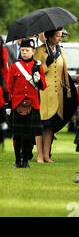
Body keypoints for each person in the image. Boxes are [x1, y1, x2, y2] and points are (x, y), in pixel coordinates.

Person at [34, 28, 72, 163]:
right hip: (44, 93)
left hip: (58, 94)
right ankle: (39, 155)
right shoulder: (39, 50)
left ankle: (46, 155)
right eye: (57, 36)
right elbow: (35, 72)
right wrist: (46, 65)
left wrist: (67, 88)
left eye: (61, 36)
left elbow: (64, 70)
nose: (59, 39)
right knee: (41, 124)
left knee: (50, 126)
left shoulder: (60, 50)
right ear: (49, 37)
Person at [7, 39, 46, 168]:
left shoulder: (37, 66)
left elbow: (43, 86)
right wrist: (10, 102)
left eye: (27, 50)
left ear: (33, 51)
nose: (24, 52)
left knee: (29, 135)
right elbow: (9, 86)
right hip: (17, 105)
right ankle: (18, 161)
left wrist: (38, 79)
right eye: (22, 50)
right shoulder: (14, 66)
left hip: (33, 104)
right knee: (17, 134)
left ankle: (26, 161)